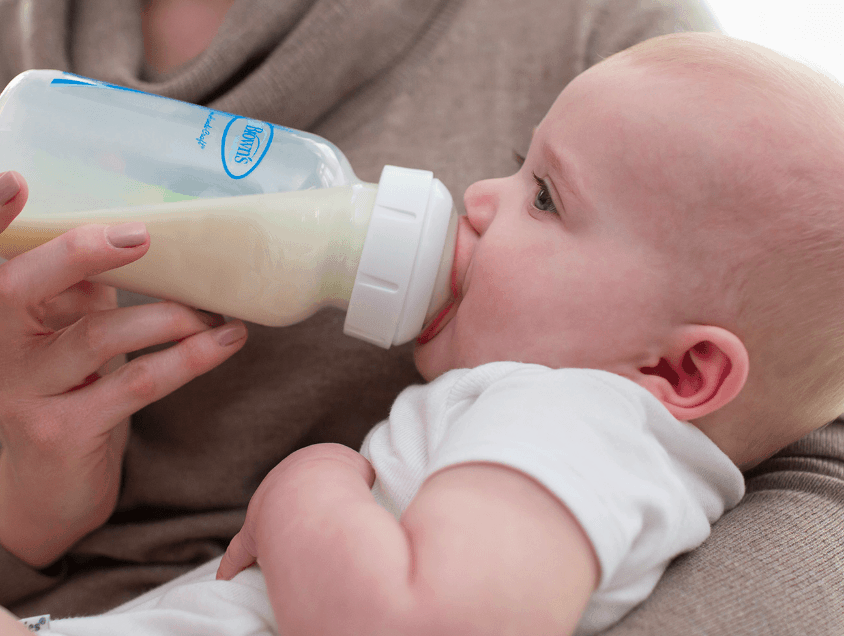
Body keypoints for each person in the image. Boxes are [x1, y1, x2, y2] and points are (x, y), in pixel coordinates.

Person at [1, 1, 843, 635]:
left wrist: (307, 484)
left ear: (679, 372)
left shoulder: (573, 421)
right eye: (520, 168)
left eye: (544, 197)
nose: (478, 197)